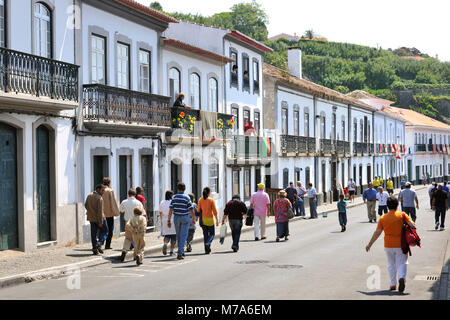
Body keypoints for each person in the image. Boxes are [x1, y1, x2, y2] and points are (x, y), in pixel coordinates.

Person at [365, 196, 416, 293]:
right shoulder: (402, 215)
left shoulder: (383, 218)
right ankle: (401, 278)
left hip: (388, 244)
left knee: (391, 264)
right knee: (402, 263)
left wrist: (369, 244)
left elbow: (378, 232)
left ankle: (393, 284)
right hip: (401, 244)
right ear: (397, 206)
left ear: (387, 207)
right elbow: (412, 225)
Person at [168, 182, 196, 260]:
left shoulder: (174, 197)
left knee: (178, 235)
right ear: (184, 189)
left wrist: (168, 220)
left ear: (178, 188)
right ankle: (180, 253)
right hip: (185, 218)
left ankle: (181, 250)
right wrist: (193, 218)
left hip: (176, 218)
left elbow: (170, 209)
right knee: (183, 235)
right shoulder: (187, 197)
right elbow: (191, 209)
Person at [119, 188, 146, 262]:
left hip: (128, 222)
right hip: (138, 222)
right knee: (138, 240)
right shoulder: (138, 202)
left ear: (128, 194)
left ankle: (124, 251)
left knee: (128, 238)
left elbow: (121, 210)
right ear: (135, 194)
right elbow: (143, 213)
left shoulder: (124, 202)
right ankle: (137, 254)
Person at [85, 184, 108, 255]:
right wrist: (101, 221)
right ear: (98, 189)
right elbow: (100, 211)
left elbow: (86, 205)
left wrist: (91, 212)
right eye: (102, 190)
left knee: (93, 233)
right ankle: (99, 243)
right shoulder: (99, 198)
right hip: (99, 218)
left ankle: (94, 248)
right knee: (105, 231)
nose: (103, 192)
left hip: (91, 218)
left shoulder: (89, 196)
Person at [197, 187, 219, 254]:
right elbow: (214, 211)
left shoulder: (200, 200)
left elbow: (198, 210)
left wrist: (197, 218)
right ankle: (208, 243)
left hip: (203, 219)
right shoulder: (211, 200)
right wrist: (217, 219)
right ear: (209, 193)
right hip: (210, 220)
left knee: (205, 235)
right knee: (212, 234)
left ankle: (207, 250)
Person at [101, 178, 120, 250]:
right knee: (110, 229)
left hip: (101, 213)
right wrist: (116, 212)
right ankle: (107, 245)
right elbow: (113, 202)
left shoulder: (99, 190)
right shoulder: (110, 191)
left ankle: (100, 243)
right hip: (109, 213)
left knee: (101, 229)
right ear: (109, 183)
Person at [160, 190, 176, 256]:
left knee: (167, 235)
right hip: (172, 219)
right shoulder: (173, 202)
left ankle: (165, 244)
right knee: (174, 236)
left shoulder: (162, 202)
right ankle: (172, 251)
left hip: (164, 219)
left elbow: (160, 212)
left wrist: (162, 220)